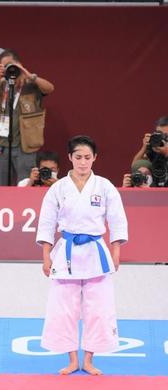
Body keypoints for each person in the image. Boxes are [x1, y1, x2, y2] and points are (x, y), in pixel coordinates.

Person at [36, 135, 128, 376]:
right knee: (64, 308)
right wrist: (46, 256)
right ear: (70, 158)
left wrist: (116, 251)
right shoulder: (58, 188)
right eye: (78, 157)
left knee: (98, 308)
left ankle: (88, 359)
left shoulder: (105, 186)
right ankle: (72, 359)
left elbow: (117, 220)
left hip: (96, 251)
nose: (83, 162)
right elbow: (46, 223)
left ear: (95, 158)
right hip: (66, 250)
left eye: (88, 157)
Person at [0, 49, 55, 186]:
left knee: (25, 185)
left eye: (10, 65)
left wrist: (29, 75)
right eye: (4, 66)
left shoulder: (31, 85)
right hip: (2, 145)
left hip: (25, 147)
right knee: (2, 187)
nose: (8, 69)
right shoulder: (2, 85)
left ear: (19, 64)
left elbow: (50, 88)